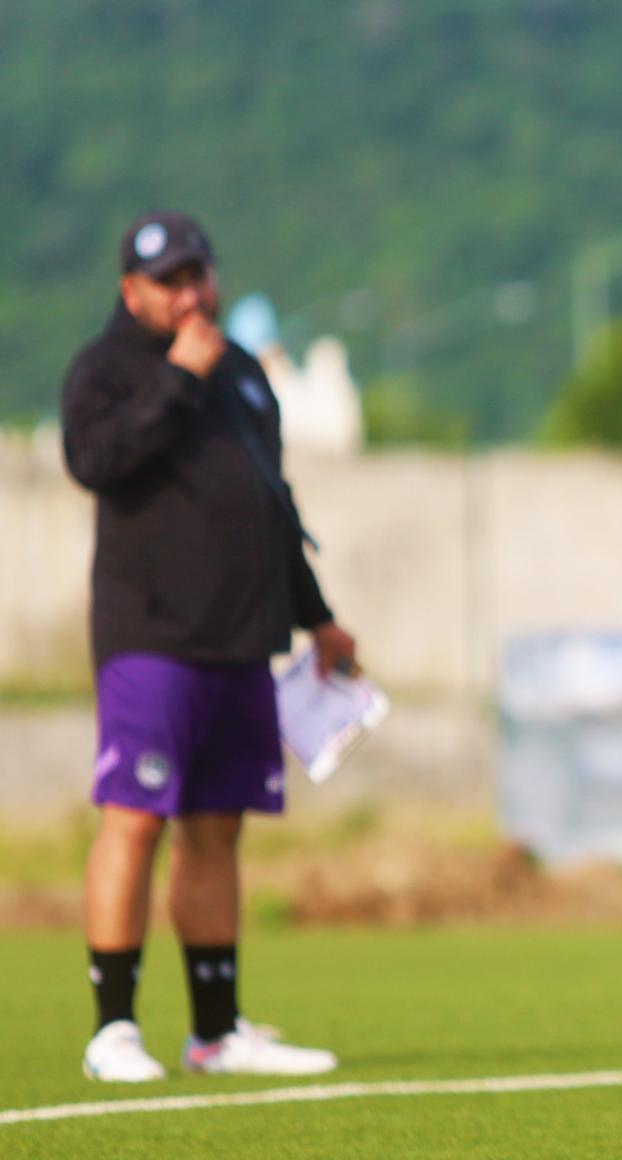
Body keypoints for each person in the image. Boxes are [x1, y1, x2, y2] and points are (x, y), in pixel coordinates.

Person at [60, 211, 357, 1082]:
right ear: (132, 291)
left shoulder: (241, 374)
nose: (191, 295)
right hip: (151, 637)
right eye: (170, 281)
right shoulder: (107, 370)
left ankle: (215, 1031)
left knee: (217, 829)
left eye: (200, 275)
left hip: (242, 640)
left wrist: (318, 614)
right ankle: (114, 1027)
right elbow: (96, 459)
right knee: (137, 817)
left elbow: (270, 500)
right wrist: (176, 382)